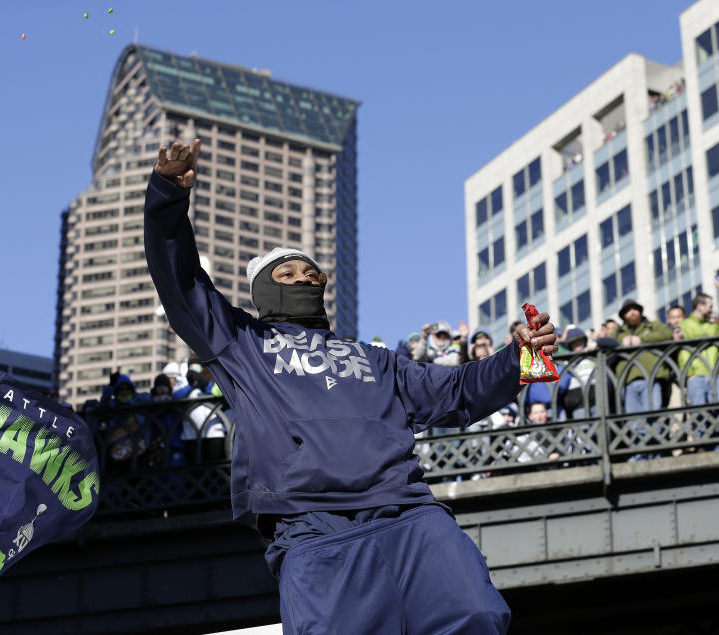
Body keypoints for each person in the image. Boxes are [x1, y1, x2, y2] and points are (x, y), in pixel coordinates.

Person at [144, 138, 558, 634]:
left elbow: (457, 393)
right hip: (313, 529)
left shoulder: (376, 359)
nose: (305, 278)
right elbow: (181, 281)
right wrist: (168, 194)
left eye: (312, 272)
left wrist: (521, 357)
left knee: (477, 616)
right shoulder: (240, 342)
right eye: (288, 273)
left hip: (410, 516)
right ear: (264, 291)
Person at [616, 299, 673, 413]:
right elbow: (606, 342)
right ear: (623, 315)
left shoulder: (653, 326)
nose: (632, 312)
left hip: (651, 376)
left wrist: (643, 340)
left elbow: (667, 334)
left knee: (653, 415)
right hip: (627, 381)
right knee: (634, 421)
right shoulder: (618, 333)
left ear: (640, 311)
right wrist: (620, 342)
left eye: (635, 309)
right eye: (628, 310)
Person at [678, 293, 719, 410]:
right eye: (710, 306)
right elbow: (682, 351)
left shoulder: (712, 325)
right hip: (696, 375)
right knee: (699, 415)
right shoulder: (684, 324)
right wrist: (689, 373)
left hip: (715, 374)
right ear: (700, 306)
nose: (712, 310)